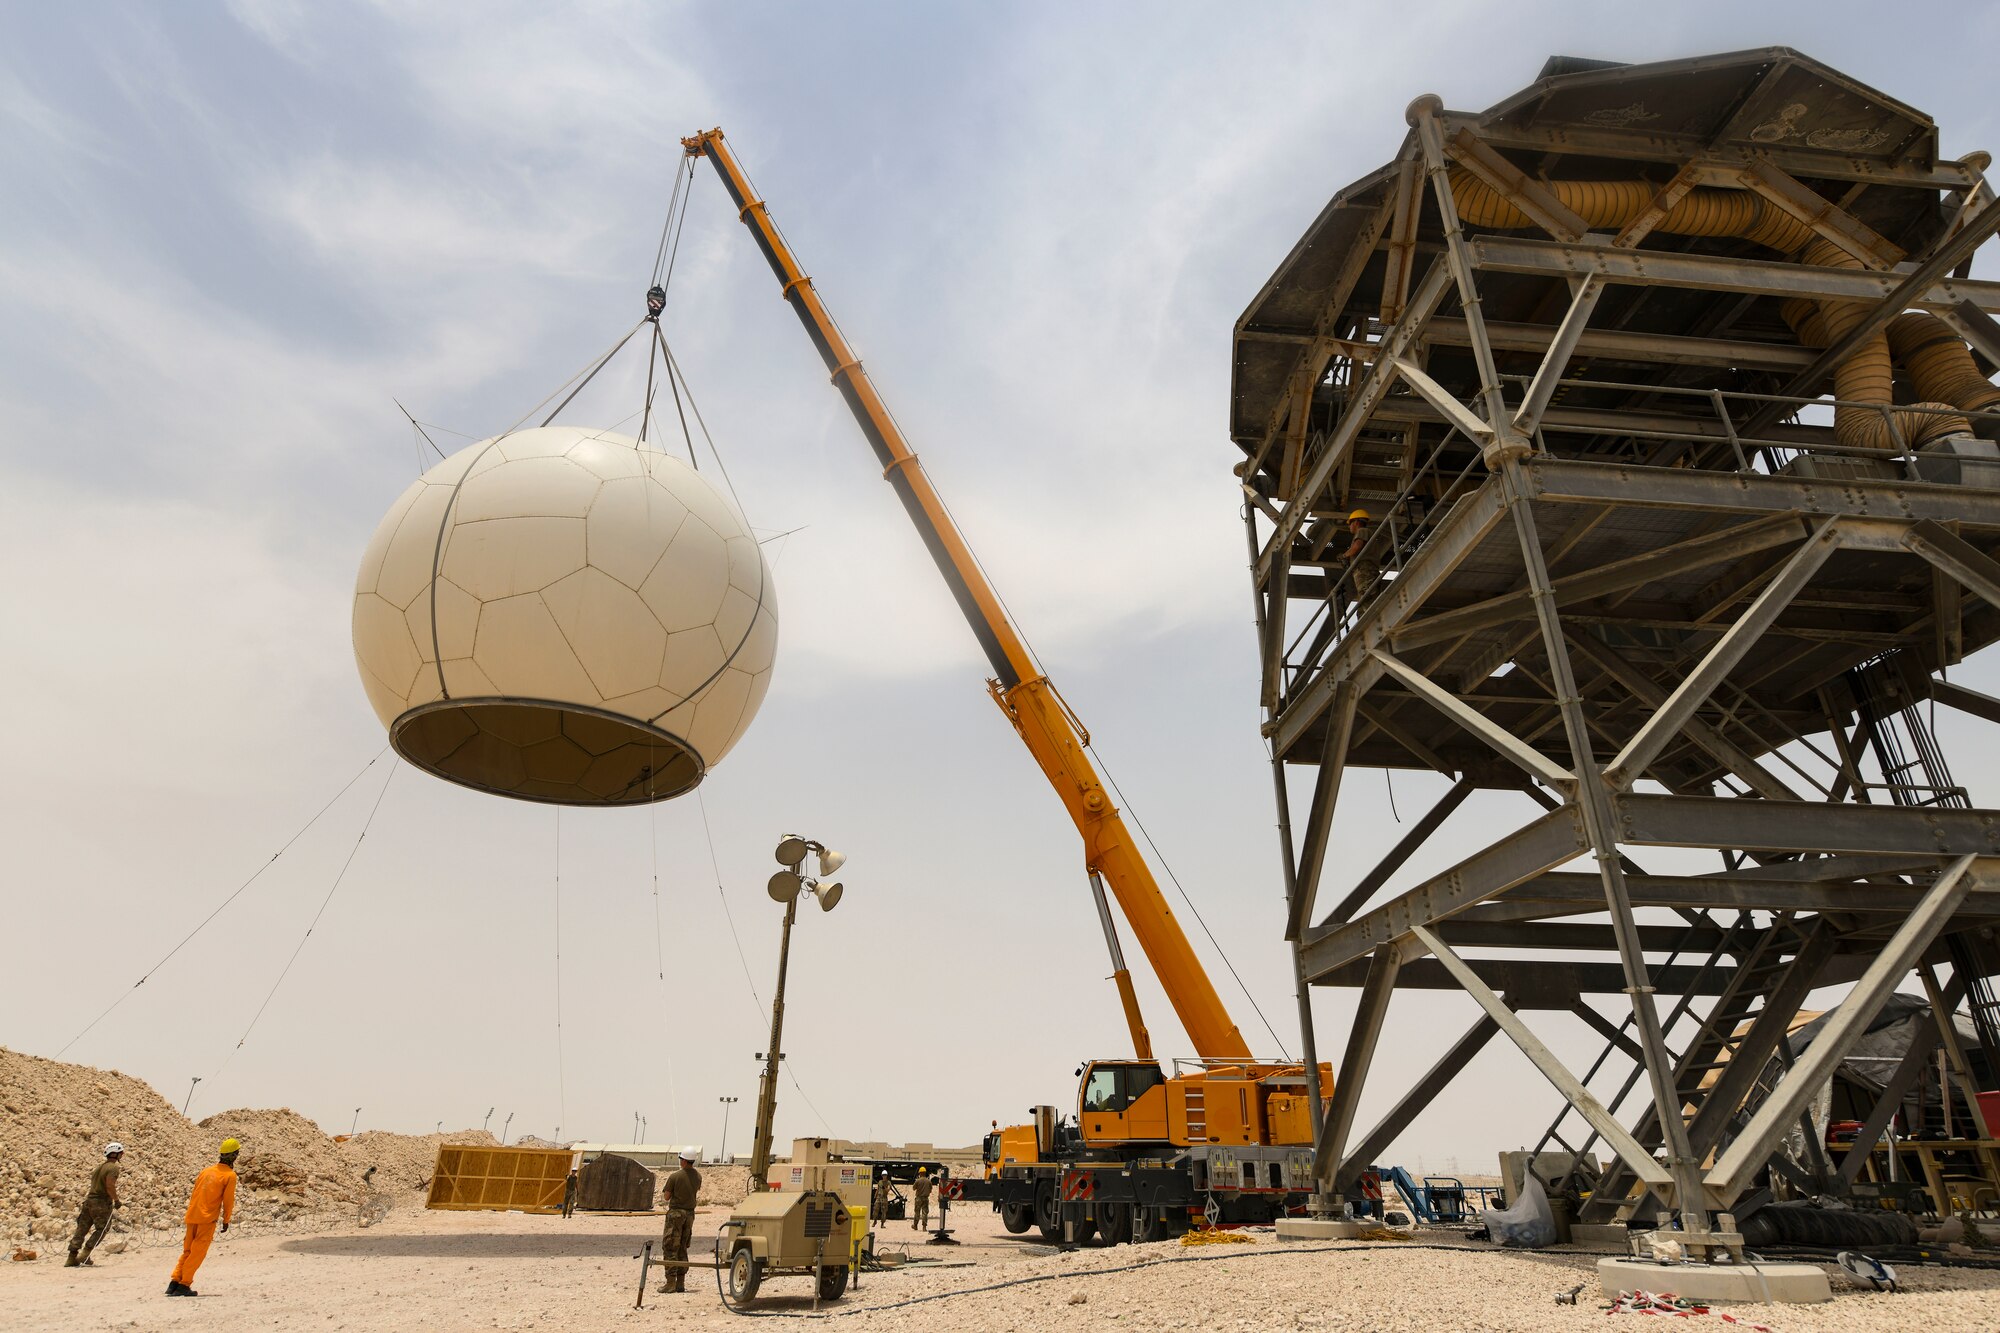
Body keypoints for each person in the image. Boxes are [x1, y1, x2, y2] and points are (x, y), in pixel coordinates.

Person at [166, 1138, 238, 1297]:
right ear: (234, 1155)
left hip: (192, 1215)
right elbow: (228, 1201)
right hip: (207, 1218)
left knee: (187, 1250)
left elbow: (195, 1192)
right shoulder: (229, 1176)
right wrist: (226, 1220)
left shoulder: (206, 1171)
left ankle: (174, 1281)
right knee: (197, 1253)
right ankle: (184, 1284)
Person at [66, 1142, 123, 1267]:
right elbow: (109, 1185)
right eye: (121, 1153)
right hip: (101, 1202)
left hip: (89, 1201)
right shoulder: (113, 1168)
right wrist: (116, 1200)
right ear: (117, 1154)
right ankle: (85, 1254)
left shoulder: (99, 1168)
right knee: (102, 1229)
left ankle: (72, 1256)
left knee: (82, 1228)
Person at [657, 1149, 701, 1295]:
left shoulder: (675, 1176)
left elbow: (667, 1197)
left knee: (670, 1246)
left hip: (676, 1214)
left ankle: (670, 1283)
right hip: (689, 1215)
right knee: (683, 1246)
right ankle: (680, 1283)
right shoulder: (698, 1176)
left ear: (683, 1160)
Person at [911, 1167, 933, 1232]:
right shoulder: (928, 1181)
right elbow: (930, 1190)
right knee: (925, 1213)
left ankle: (915, 1225)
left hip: (918, 1198)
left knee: (917, 1212)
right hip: (926, 1198)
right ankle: (924, 1227)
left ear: (920, 1173)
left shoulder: (918, 1181)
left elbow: (913, 1188)